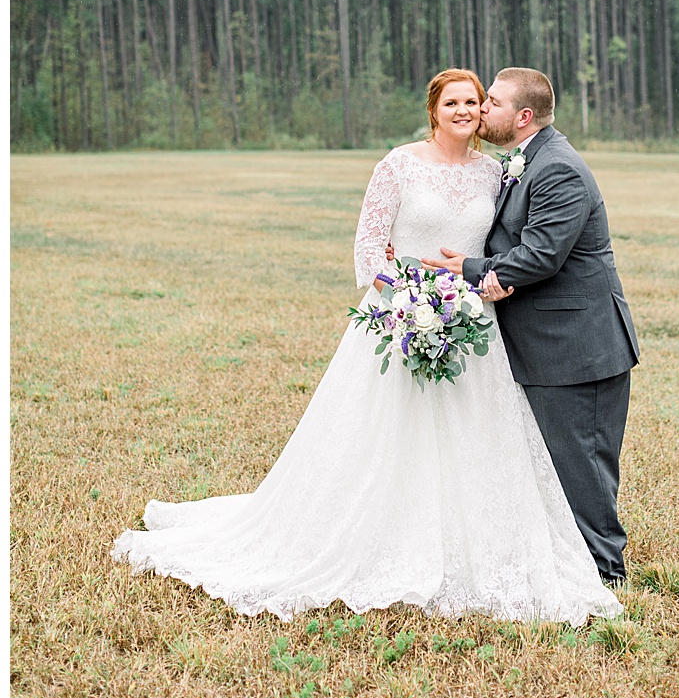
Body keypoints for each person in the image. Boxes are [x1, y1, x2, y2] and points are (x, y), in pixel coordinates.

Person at [112, 69, 621, 625]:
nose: (467, 110)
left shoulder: (497, 172)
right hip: (399, 319)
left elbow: (520, 247)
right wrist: (409, 302)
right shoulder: (398, 165)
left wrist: (461, 295)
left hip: (474, 328)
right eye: (454, 101)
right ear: (433, 110)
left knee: (476, 446)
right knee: (380, 442)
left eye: (477, 101)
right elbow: (368, 250)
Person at [425, 67, 639, 588]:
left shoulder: (558, 169)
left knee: (581, 464)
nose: (479, 110)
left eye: (490, 102)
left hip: (579, 348)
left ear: (523, 117)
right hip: (547, 345)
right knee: (557, 462)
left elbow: (542, 254)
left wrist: (474, 272)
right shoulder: (524, 161)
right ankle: (571, 564)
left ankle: (605, 575)